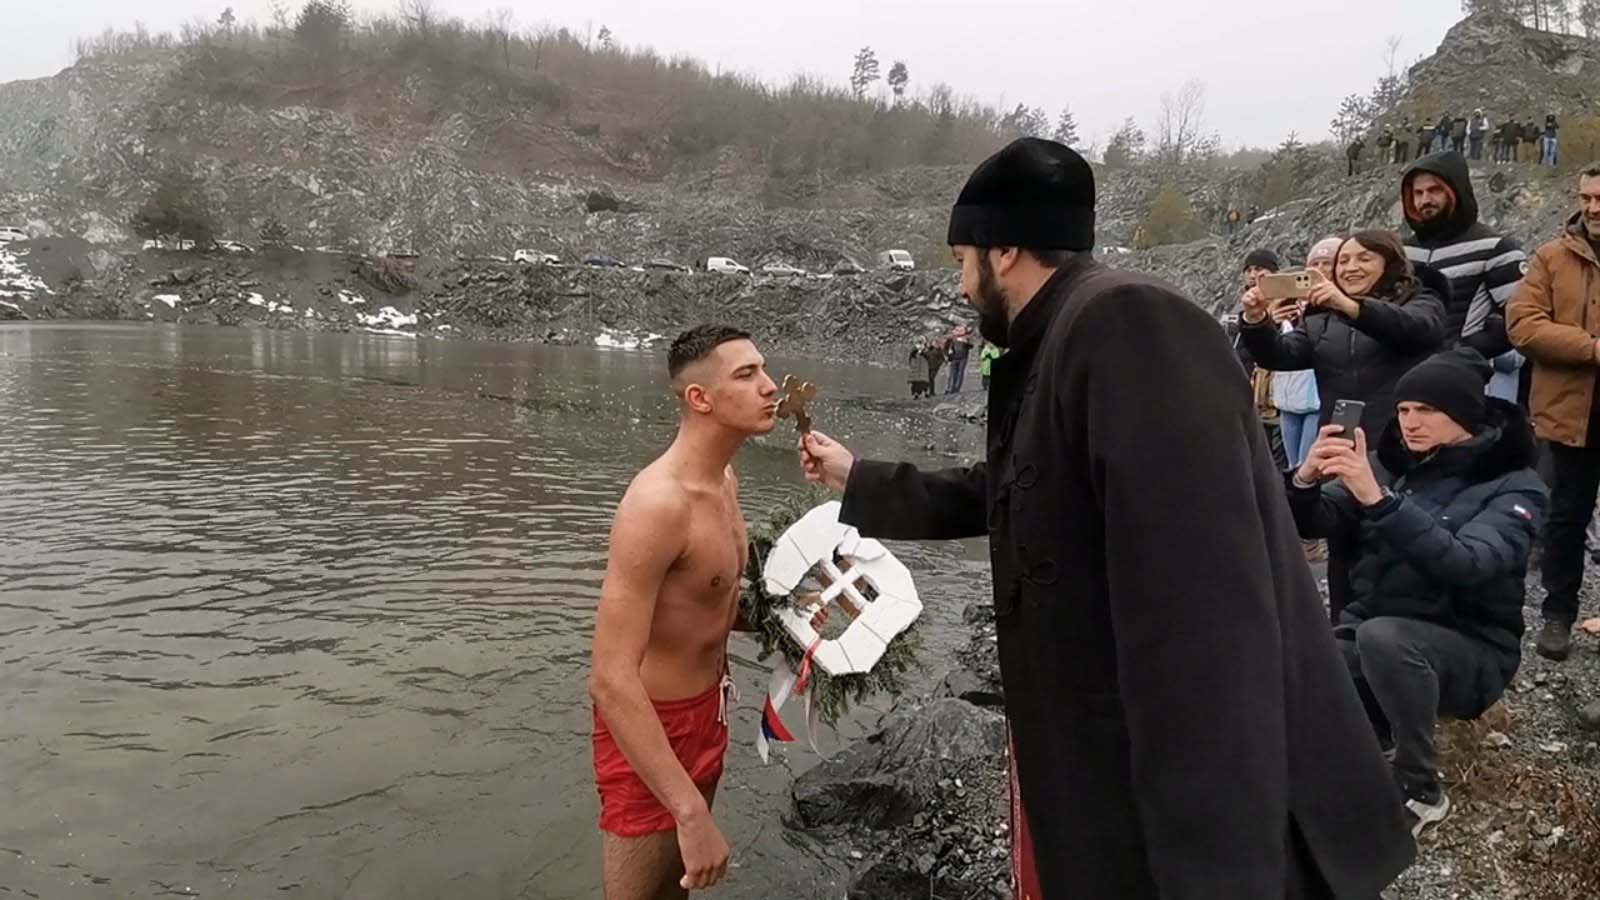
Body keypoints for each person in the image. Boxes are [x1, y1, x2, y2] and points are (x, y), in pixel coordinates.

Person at [796, 136, 1415, 900]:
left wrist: (1216, 869)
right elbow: (1018, 487)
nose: (960, 284)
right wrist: (861, 480)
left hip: (1191, 802)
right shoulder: (1063, 334)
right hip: (1111, 759)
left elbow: (1205, 612)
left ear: (1005, 249)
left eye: (962, 259)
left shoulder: (1127, 323)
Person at [1288, 348, 1546, 836]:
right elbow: (1320, 519)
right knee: (1310, 654)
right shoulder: (1393, 466)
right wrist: (1305, 480)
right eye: (1404, 409)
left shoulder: (1516, 485)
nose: (1410, 422)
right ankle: (1370, 743)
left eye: (1427, 409)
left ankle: (1420, 788)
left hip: (1470, 647)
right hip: (1380, 632)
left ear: (1465, 414)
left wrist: (1380, 501)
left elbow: (1470, 563)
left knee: (1385, 639)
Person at [588, 324, 778, 899]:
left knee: (678, 890)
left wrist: (791, 623)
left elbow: (713, 600)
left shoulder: (725, 482)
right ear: (700, 398)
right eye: (746, 375)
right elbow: (610, 678)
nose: (770, 386)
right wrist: (690, 813)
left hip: (709, 710)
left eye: (763, 369)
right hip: (651, 725)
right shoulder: (657, 504)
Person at [1239, 231, 1449, 626]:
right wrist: (1256, 321)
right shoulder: (1322, 319)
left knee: (1402, 546)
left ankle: (1411, 636)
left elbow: (1416, 330)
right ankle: (1345, 638)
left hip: (1405, 448)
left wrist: (1351, 307)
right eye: (1344, 261)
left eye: (1364, 258)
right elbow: (1282, 355)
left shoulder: (1421, 299)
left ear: (1390, 263)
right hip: (1344, 448)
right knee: (1345, 551)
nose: (1351, 267)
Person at [1506, 162, 1600, 662]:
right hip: (1570, 415)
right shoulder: (1551, 257)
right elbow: (1523, 324)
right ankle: (1558, 615)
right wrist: (1592, 348)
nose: (1593, 208)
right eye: (1586, 198)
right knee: (1565, 519)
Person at [1401, 151, 1528, 371]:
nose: (1425, 200)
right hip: (1403, 373)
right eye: (1418, 193)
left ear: (1455, 191)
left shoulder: (1496, 248)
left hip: (1464, 374)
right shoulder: (1403, 252)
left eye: (1435, 190)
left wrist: (1462, 351)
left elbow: (1520, 318)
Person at [1273, 238, 1340, 469]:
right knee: (1293, 467)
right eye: (1314, 264)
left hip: (1316, 402)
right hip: (1288, 401)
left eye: (1326, 263)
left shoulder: (1338, 307)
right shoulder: (1290, 305)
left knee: (1308, 466)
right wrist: (1270, 322)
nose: (1319, 270)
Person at [1241, 248, 1290, 470]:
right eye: (1249, 270)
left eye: (1259, 269)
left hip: (1278, 395)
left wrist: (1270, 322)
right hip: (1247, 388)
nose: (1253, 275)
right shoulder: (1241, 304)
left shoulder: (1285, 301)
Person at [945, 325, 974, 394]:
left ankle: (957, 388)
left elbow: (971, 346)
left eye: (961, 330)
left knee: (960, 373)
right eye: (957, 330)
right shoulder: (952, 339)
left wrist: (966, 343)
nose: (959, 331)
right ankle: (952, 388)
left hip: (963, 358)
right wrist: (948, 354)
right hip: (954, 358)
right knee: (953, 373)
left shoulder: (966, 338)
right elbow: (946, 347)